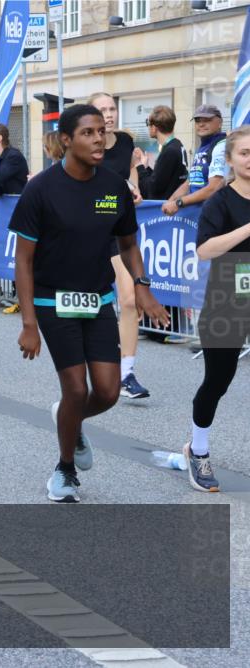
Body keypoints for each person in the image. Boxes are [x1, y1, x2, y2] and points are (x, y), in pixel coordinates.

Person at [10, 105, 169, 503]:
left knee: (109, 391)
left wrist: (143, 286)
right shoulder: (41, 189)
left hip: (98, 298)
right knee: (76, 389)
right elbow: (23, 260)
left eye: (101, 131)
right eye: (88, 133)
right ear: (66, 140)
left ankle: (69, 418)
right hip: (52, 299)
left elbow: (128, 243)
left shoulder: (113, 186)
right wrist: (29, 323)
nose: (99, 139)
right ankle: (64, 470)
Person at [183, 127, 250, 493]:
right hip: (228, 294)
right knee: (218, 379)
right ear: (230, 160)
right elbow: (205, 250)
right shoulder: (220, 202)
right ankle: (199, 449)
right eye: (244, 153)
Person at [87, 92, 152, 398]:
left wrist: (134, 189)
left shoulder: (126, 142)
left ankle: (125, 374)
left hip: (118, 233)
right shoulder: (86, 145)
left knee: (128, 300)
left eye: (112, 108)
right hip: (89, 231)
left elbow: (131, 175)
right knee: (92, 302)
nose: (109, 114)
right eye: (103, 110)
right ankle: (96, 359)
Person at [163, 104, 228, 216]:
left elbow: (214, 187)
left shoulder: (221, 146)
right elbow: (190, 182)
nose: (201, 124)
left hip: (215, 215)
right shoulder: (204, 146)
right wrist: (170, 201)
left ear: (220, 123)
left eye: (207, 120)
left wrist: (178, 202)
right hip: (199, 215)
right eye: (198, 121)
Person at [136, 105, 188, 200]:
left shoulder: (169, 151)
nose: (148, 127)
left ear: (154, 128)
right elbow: (162, 178)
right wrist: (146, 168)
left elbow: (152, 189)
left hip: (164, 211)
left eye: (148, 123)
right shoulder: (177, 145)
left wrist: (139, 166)